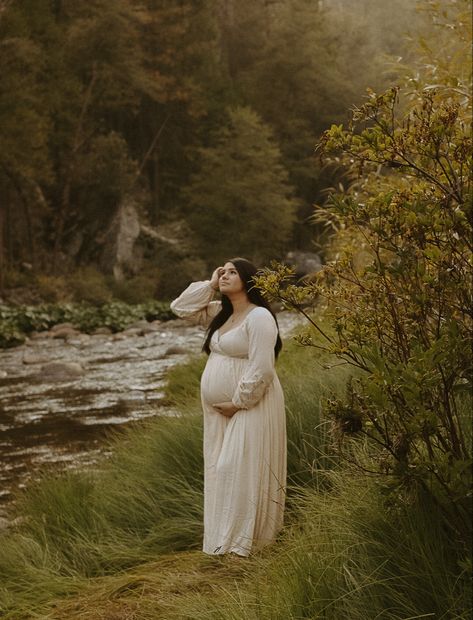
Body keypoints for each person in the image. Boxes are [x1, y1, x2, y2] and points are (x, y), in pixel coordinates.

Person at [170, 257, 286, 557]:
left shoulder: (259, 317)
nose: (224, 275)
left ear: (248, 279)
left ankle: (244, 545)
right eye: (222, 271)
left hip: (249, 404)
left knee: (237, 468)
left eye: (232, 272)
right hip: (220, 411)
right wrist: (210, 284)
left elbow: (262, 367)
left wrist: (239, 402)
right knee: (221, 471)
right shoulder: (220, 314)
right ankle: (224, 543)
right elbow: (180, 308)